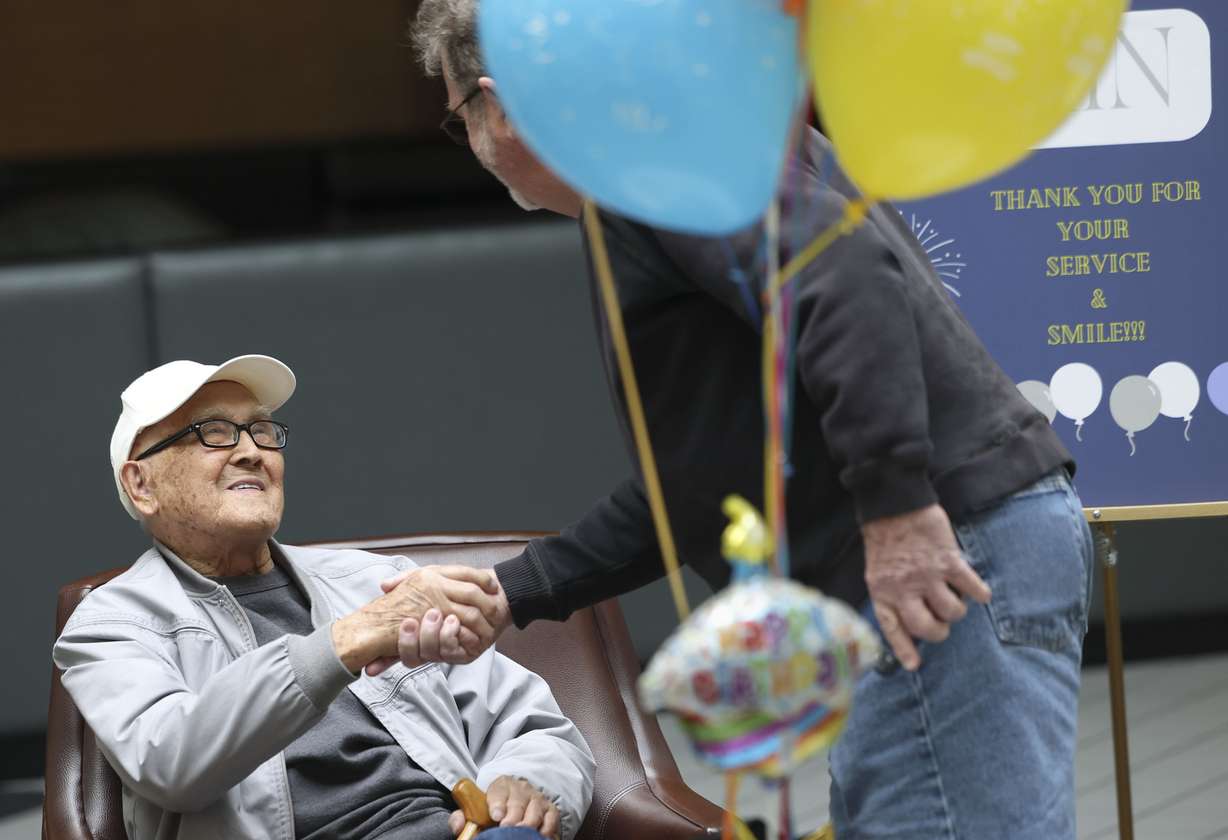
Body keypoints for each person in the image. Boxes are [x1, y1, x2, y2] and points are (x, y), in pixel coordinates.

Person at [407, 4, 1095, 837]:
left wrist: (899, 513)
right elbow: (704, 479)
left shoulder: (651, 162)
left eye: (457, 123)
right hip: (957, 544)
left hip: (940, 554)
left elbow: (845, 281)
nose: (471, 146)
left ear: (500, 102)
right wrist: (513, 590)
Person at [52, 354, 594, 840]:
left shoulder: (374, 582)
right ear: (141, 485)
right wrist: (346, 640)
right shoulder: (110, 623)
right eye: (213, 433)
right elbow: (173, 760)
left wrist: (529, 783)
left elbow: (533, 724)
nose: (250, 452)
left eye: (261, 430)